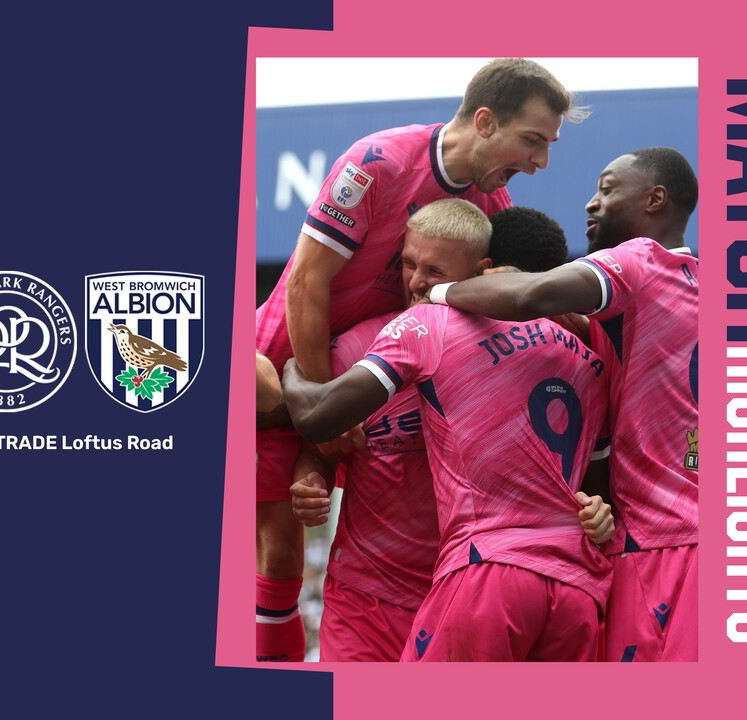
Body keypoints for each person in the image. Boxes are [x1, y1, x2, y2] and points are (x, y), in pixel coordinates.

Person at [255, 58, 585, 662]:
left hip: (375, 382)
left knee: (290, 549)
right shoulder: (377, 161)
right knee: (276, 555)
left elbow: (510, 291)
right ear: (484, 122)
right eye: (533, 140)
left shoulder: (494, 201)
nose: (541, 161)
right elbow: (306, 280)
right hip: (291, 369)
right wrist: (325, 404)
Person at [283, 199, 613, 662]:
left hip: (474, 578)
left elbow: (317, 413)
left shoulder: (433, 329)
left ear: (482, 273)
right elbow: (319, 445)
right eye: (408, 264)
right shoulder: (583, 353)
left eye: (435, 271)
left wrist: (290, 367)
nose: (416, 282)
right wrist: (311, 478)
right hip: (371, 594)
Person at [425, 147, 699, 662]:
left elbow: (531, 295)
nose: (592, 203)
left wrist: (438, 291)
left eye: (608, 189)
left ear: (655, 199)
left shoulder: (639, 260)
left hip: (661, 543)